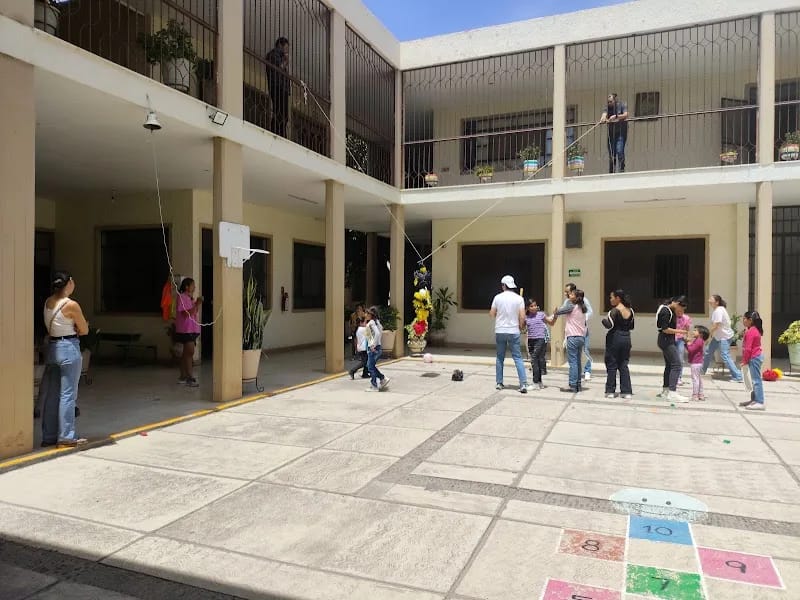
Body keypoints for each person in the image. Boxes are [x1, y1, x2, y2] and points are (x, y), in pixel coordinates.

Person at [40, 271, 89, 448]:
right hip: (68, 347)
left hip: (52, 348)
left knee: (52, 394)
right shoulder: (71, 305)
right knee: (68, 395)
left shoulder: (48, 302)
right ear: (68, 283)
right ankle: (66, 436)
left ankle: (49, 436)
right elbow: (84, 329)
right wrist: (78, 326)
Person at [490, 276, 529, 393]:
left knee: (500, 358)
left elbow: (492, 314)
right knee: (517, 358)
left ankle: (499, 383)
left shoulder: (497, 297)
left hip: (500, 330)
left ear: (503, 285)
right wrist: (521, 326)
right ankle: (523, 384)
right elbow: (522, 316)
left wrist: (499, 314)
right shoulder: (519, 299)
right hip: (513, 331)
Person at [701, 295, 743, 382]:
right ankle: (702, 371)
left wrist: (708, 336)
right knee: (708, 352)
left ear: (717, 302)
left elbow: (716, 325)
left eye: (711, 299)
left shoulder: (719, 311)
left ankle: (738, 376)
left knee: (725, 355)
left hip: (724, 337)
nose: (709, 300)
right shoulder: (718, 310)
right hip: (718, 336)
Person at [553, 289, 588, 393]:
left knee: (572, 362)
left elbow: (558, 312)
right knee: (577, 361)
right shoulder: (582, 308)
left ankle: (572, 385)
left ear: (577, 297)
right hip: (581, 337)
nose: (569, 295)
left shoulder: (571, 306)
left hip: (572, 337)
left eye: (572, 294)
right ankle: (578, 384)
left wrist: (555, 311)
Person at [602, 289, 635, 399]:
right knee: (623, 365)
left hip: (615, 338)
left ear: (618, 298)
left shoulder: (614, 311)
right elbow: (631, 326)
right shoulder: (630, 311)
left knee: (612, 364)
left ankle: (610, 391)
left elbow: (609, 325)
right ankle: (626, 392)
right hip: (626, 338)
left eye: (611, 297)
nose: (610, 299)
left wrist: (603, 321)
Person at [656, 296, 689, 402]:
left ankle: (666, 390)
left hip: (665, 340)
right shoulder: (666, 311)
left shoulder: (666, 308)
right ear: (677, 303)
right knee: (677, 364)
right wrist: (682, 331)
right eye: (682, 308)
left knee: (669, 365)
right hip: (666, 340)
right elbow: (665, 329)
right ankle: (672, 393)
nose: (682, 311)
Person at [559, 283, 594, 381]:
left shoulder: (583, 300)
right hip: (572, 332)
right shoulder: (567, 302)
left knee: (585, 350)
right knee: (575, 358)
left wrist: (582, 320)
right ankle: (576, 378)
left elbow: (590, 311)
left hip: (582, 330)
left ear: (573, 292)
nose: (565, 293)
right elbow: (562, 310)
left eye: (567, 292)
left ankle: (587, 371)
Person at [175, 277, 202, 387]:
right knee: (190, 352)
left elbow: (194, 312)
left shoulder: (190, 298)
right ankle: (190, 377)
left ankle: (183, 376)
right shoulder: (181, 298)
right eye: (193, 285)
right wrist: (197, 304)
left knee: (186, 353)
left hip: (192, 329)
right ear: (187, 286)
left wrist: (197, 303)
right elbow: (186, 314)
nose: (194, 287)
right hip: (185, 330)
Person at [740, 311, 765, 411]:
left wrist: (744, 361)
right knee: (753, 379)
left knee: (755, 380)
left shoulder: (751, 331)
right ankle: (754, 400)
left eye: (744, 318)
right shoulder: (753, 330)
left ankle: (759, 402)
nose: (743, 320)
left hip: (754, 357)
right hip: (755, 356)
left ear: (750, 320)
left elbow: (748, 349)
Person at [266, 37, 291, 137]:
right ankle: (277, 133)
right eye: (286, 48)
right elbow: (279, 68)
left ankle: (280, 133)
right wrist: (286, 61)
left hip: (280, 87)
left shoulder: (275, 55)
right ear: (280, 45)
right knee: (280, 112)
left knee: (282, 113)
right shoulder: (273, 54)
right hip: (278, 87)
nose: (286, 51)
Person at [525, 299, 551, 390]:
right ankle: (539, 382)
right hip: (531, 340)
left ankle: (535, 382)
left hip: (540, 339)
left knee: (534, 360)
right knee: (537, 361)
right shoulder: (526, 317)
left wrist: (555, 316)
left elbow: (551, 322)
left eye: (535, 305)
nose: (534, 307)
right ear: (528, 308)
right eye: (531, 306)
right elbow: (521, 327)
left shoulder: (541, 314)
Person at [600, 93, 629, 173]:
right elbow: (604, 114)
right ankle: (611, 171)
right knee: (612, 153)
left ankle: (621, 169)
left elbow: (626, 115)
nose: (609, 103)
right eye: (608, 102)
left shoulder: (622, 105)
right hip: (611, 133)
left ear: (615, 100)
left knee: (619, 150)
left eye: (611, 101)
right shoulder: (607, 107)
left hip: (621, 132)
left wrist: (616, 116)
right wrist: (603, 119)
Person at [365, 306, 389, 392]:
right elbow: (379, 332)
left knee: (370, 367)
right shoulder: (377, 322)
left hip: (373, 347)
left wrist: (373, 345)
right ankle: (382, 378)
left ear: (371, 315)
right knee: (370, 366)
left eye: (367, 313)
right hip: (377, 347)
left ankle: (374, 385)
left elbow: (378, 333)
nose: (366, 314)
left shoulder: (371, 322)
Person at [686, 325, 710, 402]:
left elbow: (691, 350)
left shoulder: (698, 341)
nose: (693, 331)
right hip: (698, 363)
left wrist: (688, 343)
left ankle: (695, 395)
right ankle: (700, 394)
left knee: (695, 379)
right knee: (698, 379)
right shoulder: (698, 340)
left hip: (695, 363)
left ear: (701, 334)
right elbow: (691, 349)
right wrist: (687, 344)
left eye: (695, 330)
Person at [675, 304, 692, 387]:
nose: (680, 312)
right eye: (678, 311)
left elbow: (688, 330)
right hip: (672, 339)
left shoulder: (686, 318)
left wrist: (688, 340)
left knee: (680, 359)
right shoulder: (672, 317)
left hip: (680, 340)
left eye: (681, 311)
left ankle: (679, 377)